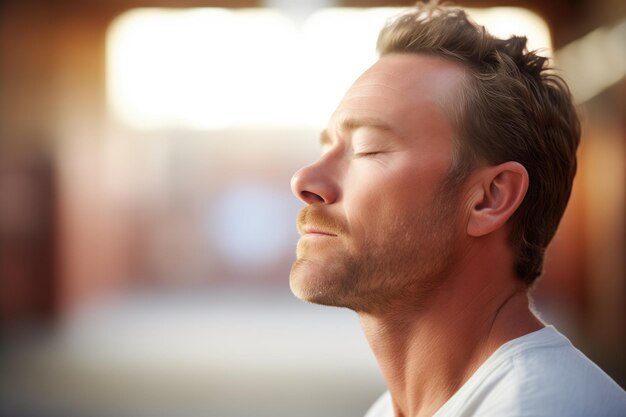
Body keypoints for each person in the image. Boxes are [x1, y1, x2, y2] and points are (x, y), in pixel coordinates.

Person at [289, 2, 626, 417]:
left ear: (489, 198)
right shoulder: (393, 409)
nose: (304, 180)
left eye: (367, 148)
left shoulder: (545, 408)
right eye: (327, 147)